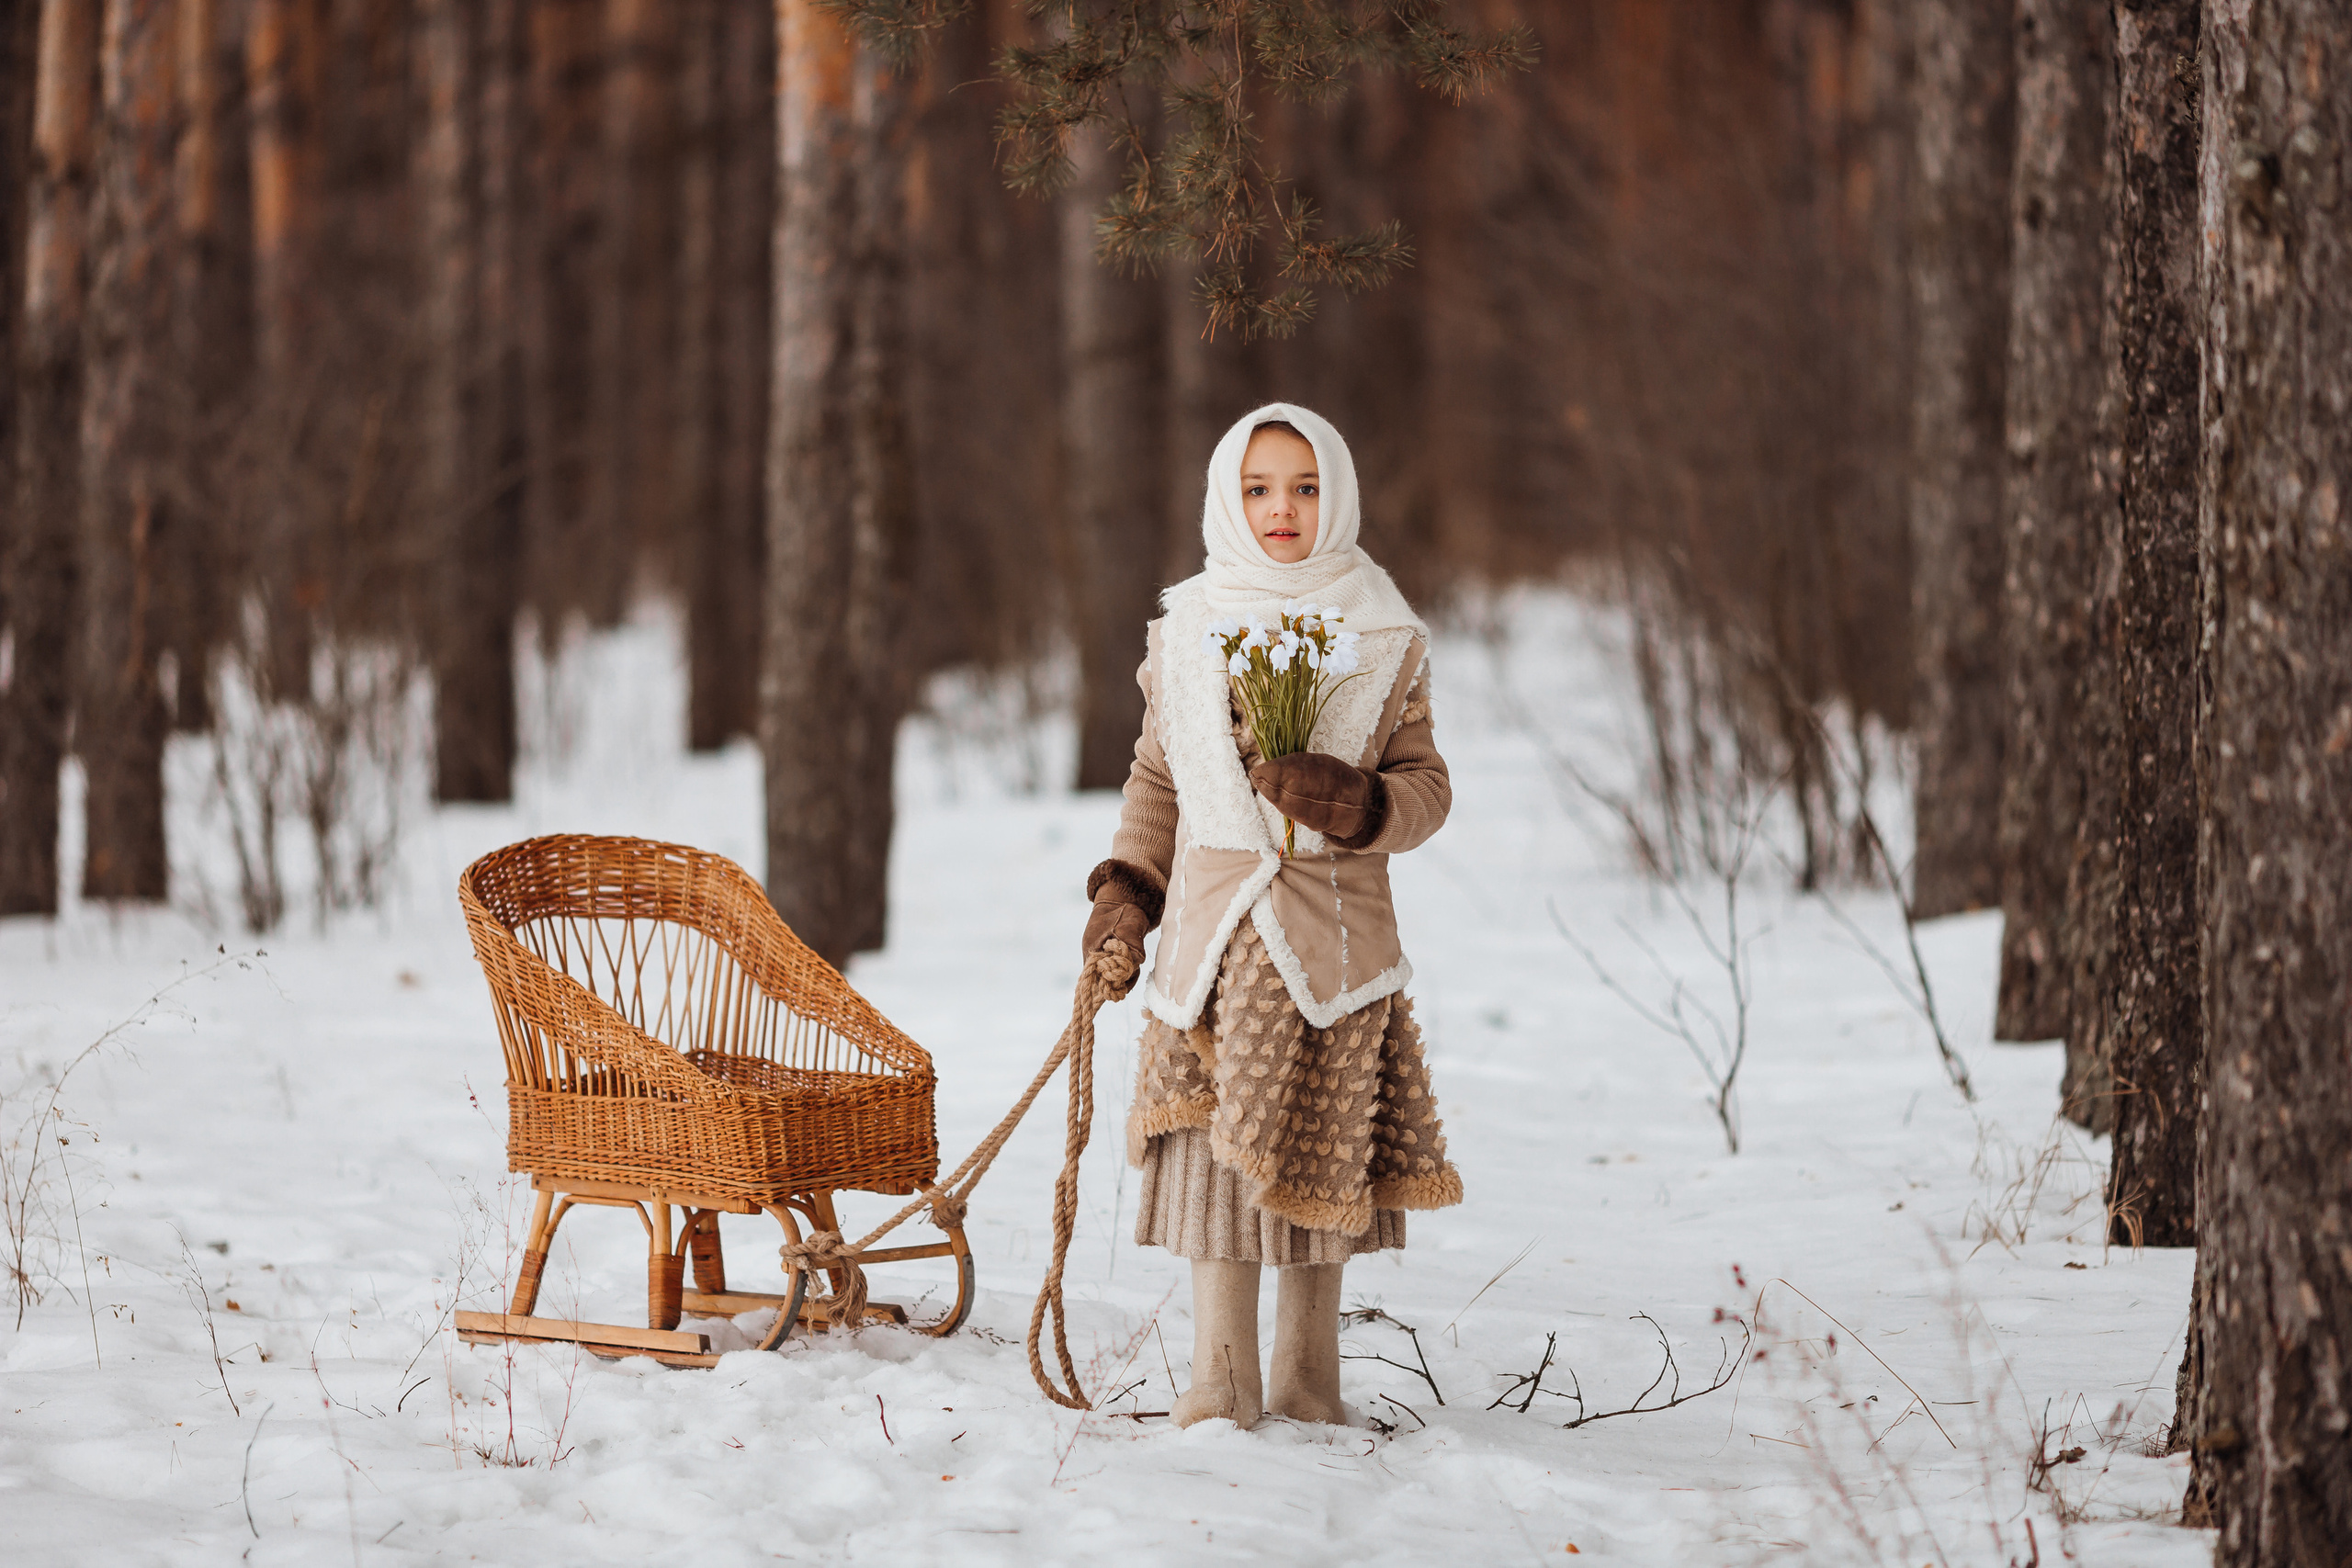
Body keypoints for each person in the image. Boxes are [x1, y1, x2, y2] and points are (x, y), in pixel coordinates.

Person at [1081, 401, 1462, 1429]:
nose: (1281, 508)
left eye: (1304, 487)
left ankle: (1306, 1377)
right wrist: (1128, 890)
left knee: (1320, 1152)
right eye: (1258, 489)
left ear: (1337, 496)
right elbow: (1157, 780)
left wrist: (1366, 804)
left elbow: (1426, 785)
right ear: (1227, 499)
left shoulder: (1381, 631)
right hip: (1212, 950)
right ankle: (1220, 1376)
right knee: (1214, 1159)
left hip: (1331, 951)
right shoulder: (1188, 628)